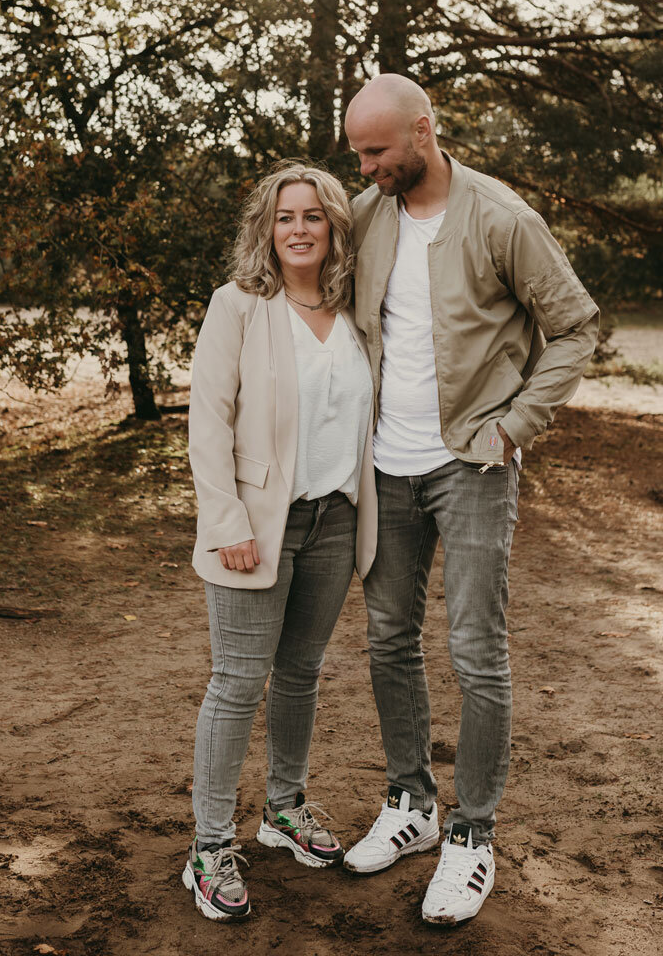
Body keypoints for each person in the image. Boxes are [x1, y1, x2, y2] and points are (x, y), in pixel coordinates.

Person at [341, 74, 599, 925]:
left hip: (474, 465)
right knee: (387, 638)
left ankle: (473, 835)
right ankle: (412, 806)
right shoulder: (367, 213)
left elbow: (575, 326)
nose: (367, 167)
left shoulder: (501, 218)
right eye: (359, 154)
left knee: (476, 649)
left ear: (423, 130)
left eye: (378, 151)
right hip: (384, 467)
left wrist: (519, 423)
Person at [183, 163, 378, 922]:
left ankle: (285, 810)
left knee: (300, 673)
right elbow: (209, 420)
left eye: (314, 216)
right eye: (285, 216)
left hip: (336, 518)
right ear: (267, 230)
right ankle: (208, 846)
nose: (299, 228)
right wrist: (227, 522)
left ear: (334, 228)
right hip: (258, 527)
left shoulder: (356, 311)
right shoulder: (238, 307)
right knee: (237, 681)